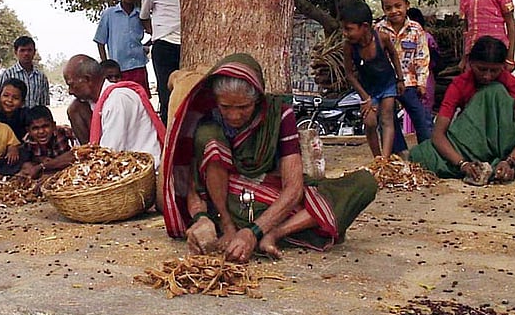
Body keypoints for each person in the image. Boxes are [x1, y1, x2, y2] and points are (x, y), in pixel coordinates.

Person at [161, 54, 377, 262]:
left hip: (272, 199)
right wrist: (204, 219)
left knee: (364, 184)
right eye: (226, 107)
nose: (234, 115)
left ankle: (274, 234)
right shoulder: (207, 120)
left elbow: (293, 188)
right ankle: (230, 228)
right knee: (208, 137)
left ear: (257, 98)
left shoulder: (279, 115)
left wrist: (253, 232)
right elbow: (193, 187)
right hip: (227, 203)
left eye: (243, 107)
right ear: (216, 101)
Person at [410, 37, 515, 185]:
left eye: (494, 71)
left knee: (494, 90)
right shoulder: (460, 84)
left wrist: (510, 161)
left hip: (504, 148)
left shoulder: (513, 86)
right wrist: (463, 164)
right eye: (481, 69)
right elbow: (438, 135)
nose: (487, 76)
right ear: (470, 63)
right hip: (469, 147)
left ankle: (498, 165)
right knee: (419, 154)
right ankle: (486, 166)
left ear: (503, 67)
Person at [63, 55, 166, 167]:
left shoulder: (117, 99)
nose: (70, 91)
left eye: (71, 84)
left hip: (143, 171)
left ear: (87, 79)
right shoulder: (95, 103)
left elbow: (107, 156)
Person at [342, 0, 404, 159]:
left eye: (349, 29)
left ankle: (385, 158)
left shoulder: (382, 38)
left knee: (387, 118)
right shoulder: (349, 47)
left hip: (388, 83)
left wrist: (400, 79)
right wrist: (365, 97)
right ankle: (377, 158)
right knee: (369, 123)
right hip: (368, 89)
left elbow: (394, 56)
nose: (345, 33)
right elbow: (349, 74)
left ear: (364, 26)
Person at [376, 0, 433, 156]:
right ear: (383, 9)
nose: (394, 11)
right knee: (387, 118)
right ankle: (399, 153)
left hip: (410, 83)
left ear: (407, 5)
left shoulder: (416, 29)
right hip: (386, 84)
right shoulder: (378, 30)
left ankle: (428, 151)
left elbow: (422, 57)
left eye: (398, 6)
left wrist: (422, 83)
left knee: (420, 116)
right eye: (388, 8)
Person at [140, 0, 181, 123]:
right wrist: (157, 32)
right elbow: (143, 17)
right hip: (164, 46)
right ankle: (166, 139)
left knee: (188, 91)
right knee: (167, 96)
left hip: (186, 46)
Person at [94, 0, 151, 95]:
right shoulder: (109, 14)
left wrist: (143, 48)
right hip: (118, 70)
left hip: (138, 67)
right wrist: (106, 66)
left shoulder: (141, 14)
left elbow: (154, 33)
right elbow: (100, 41)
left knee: (141, 100)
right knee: (119, 100)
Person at [18, 105, 76, 179]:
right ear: (28, 131)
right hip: (47, 170)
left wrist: (42, 166)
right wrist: (39, 159)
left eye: (45, 126)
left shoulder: (63, 132)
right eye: (35, 128)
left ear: (53, 126)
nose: (41, 131)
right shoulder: (28, 142)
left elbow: (74, 154)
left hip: (66, 167)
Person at [0, 36, 50, 108]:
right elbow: (1, 100)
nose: (26, 53)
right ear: (16, 52)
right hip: (14, 118)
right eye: (22, 50)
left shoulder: (41, 77)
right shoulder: (8, 74)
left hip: (34, 118)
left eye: (29, 50)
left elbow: (43, 104)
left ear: (34, 52)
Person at [407, 8, 441, 114]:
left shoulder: (426, 38)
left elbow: (435, 57)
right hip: (413, 77)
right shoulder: (426, 37)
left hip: (423, 76)